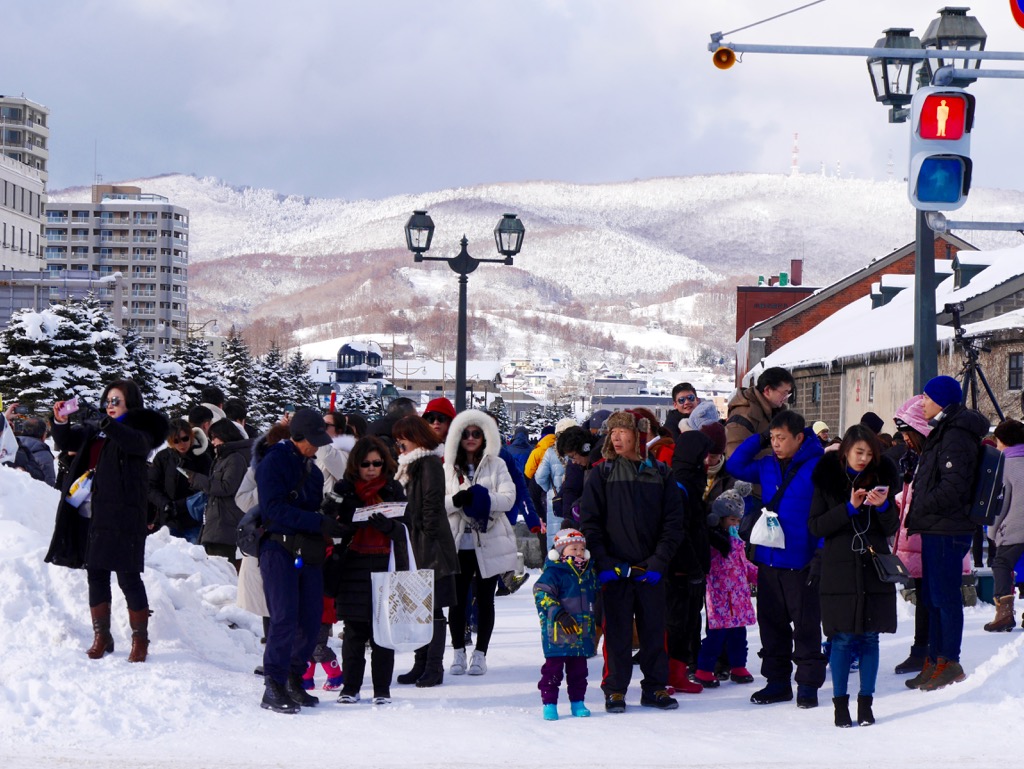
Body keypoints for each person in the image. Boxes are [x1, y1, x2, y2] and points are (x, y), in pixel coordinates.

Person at [44, 380, 169, 663]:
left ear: (130, 405)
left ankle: (140, 640)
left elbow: (135, 444)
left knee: (128, 577)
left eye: (117, 401)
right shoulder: (96, 432)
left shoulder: (142, 430)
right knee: (96, 574)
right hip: (93, 513)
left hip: (124, 516)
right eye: (108, 400)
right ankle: (102, 636)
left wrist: (106, 424)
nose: (110, 406)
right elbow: (65, 442)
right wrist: (60, 421)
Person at [580, 409, 684, 712]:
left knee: (655, 632)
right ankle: (615, 689)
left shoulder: (661, 473)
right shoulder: (601, 472)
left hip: (650, 570)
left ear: (638, 435)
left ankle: (654, 687)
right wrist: (604, 563)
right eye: (612, 432)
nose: (616, 436)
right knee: (617, 633)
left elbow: (673, 523)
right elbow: (590, 524)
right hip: (615, 571)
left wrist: (659, 561)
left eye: (623, 431)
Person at [726, 409, 826, 708]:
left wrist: (820, 552)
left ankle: (808, 684)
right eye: (773, 438)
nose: (777, 443)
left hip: (802, 560)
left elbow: (826, 509)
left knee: (806, 626)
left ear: (799, 437)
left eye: (782, 438)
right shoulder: (766, 465)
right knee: (772, 626)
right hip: (769, 560)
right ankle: (777, 682)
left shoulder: (819, 466)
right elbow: (735, 464)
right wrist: (758, 439)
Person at [256, 408, 347, 714]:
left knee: (310, 618)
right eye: (313, 440)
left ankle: (295, 679)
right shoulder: (274, 462)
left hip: (306, 552)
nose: (318, 446)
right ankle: (274, 684)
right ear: (296, 436)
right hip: (278, 549)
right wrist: (316, 522)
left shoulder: (315, 470)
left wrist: (330, 514)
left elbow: (312, 511)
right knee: (284, 618)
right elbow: (273, 510)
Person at [809, 424, 899, 728]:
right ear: (845, 450)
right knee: (842, 637)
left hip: (873, 567)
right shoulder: (827, 479)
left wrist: (883, 505)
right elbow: (816, 527)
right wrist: (849, 507)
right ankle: (839, 705)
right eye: (859, 452)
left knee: (870, 637)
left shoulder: (883, 478)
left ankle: (866, 703)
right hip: (839, 567)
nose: (863, 458)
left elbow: (891, 527)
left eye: (869, 453)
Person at [904, 375, 989, 691]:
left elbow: (954, 487)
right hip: (937, 526)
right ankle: (936, 659)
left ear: (942, 400)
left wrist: (923, 504)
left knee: (944, 597)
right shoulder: (944, 431)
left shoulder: (954, 434)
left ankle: (949, 662)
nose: (921, 403)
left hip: (946, 527)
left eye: (926, 397)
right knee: (932, 597)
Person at [325, 435, 407, 704]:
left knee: (383, 632)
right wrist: (349, 522)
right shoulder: (345, 489)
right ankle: (350, 687)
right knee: (354, 632)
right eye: (365, 463)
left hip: (386, 565)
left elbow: (407, 528)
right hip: (353, 564)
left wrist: (390, 527)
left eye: (377, 463)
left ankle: (382, 689)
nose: (372, 468)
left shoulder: (394, 489)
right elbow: (328, 521)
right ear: (355, 465)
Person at [444, 409, 518, 676]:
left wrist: (484, 501)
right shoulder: (448, 467)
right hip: (458, 541)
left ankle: (480, 653)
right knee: (456, 600)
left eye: (477, 433)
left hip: (488, 541)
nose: (471, 438)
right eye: (466, 434)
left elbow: (509, 498)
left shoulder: (497, 465)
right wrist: (457, 501)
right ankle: (457, 652)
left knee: (485, 599)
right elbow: (438, 503)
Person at [391, 415, 459, 688]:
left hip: (428, 547)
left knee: (434, 610)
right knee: (419, 609)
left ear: (414, 438)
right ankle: (421, 662)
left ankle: (433, 665)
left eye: (402, 440)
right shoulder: (411, 465)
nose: (399, 446)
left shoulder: (427, 464)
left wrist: (422, 534)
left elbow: (431, 506)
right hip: (415, 543)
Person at [235, 422, 291, 658]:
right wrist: (267, 488)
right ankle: (272, 655)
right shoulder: (256, 467)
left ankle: (292, 658)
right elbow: (242, 499)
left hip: (293, 539)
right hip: (263, 538)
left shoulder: (302, 466)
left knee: (287, 601)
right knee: (267, 601)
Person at [694, 488, 757, 688]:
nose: (735, 525)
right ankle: (704, 669)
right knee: (716, 637)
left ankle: (738, 666)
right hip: (721, 597)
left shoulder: (737, 542)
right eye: (731, 520)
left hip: (738, 597)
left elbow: (743, 564)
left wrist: (757, 574)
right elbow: (713, 564)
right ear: (719, 519)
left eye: (738, 521)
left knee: (739, 635)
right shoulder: (715, 543)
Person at [533, 528, 599, 721]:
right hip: (558, 634)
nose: (578, 552)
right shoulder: (554, 572)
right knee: (552, 672)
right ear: (560, 551)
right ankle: (549, 704)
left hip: (581, 634)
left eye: (581, 548)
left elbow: (596, 592)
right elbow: (541, 593)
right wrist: (559, 614)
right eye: (573, 548)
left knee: (579, 673)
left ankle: (577, 702)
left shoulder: (588, 573)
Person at [185, 419, 252, 571]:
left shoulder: (235, 458)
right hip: (217, 523)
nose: (212, 442)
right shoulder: (224, 457)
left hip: (225, 524)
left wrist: (198, 480)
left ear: (225, 435)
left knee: (221, 572)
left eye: (214, 437)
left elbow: (226, 487)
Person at [984, 419, 1024, 632]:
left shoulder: (1005, 466)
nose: (997, 445)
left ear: (1005, 442)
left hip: (1015, 528)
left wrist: (992, 531)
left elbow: (1001, 503)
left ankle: (1004, 614)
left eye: (998, 441)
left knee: (1001, 564)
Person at [148, 418, 213, 540]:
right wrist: (165, 504)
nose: (181, 444)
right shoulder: (163, 457)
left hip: (193, 520)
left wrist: (179, 506)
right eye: (176, 441)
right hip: (167, 520)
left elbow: (207, 488)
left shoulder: (203, 459)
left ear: (191, 436)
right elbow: (150, 486)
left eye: (185, 439)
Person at [725, 366, 795, 458]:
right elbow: (734, 454)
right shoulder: (745, 413)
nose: (786, 398)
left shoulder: (774, 412)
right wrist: (779, 456)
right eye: (784, 393)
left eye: (788, 393)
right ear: (767, 390)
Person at [13, 414, 56, 486]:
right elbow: (49, 483)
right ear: (43, 435)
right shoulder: (44, 455)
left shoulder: (11, 447)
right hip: (35, 495)